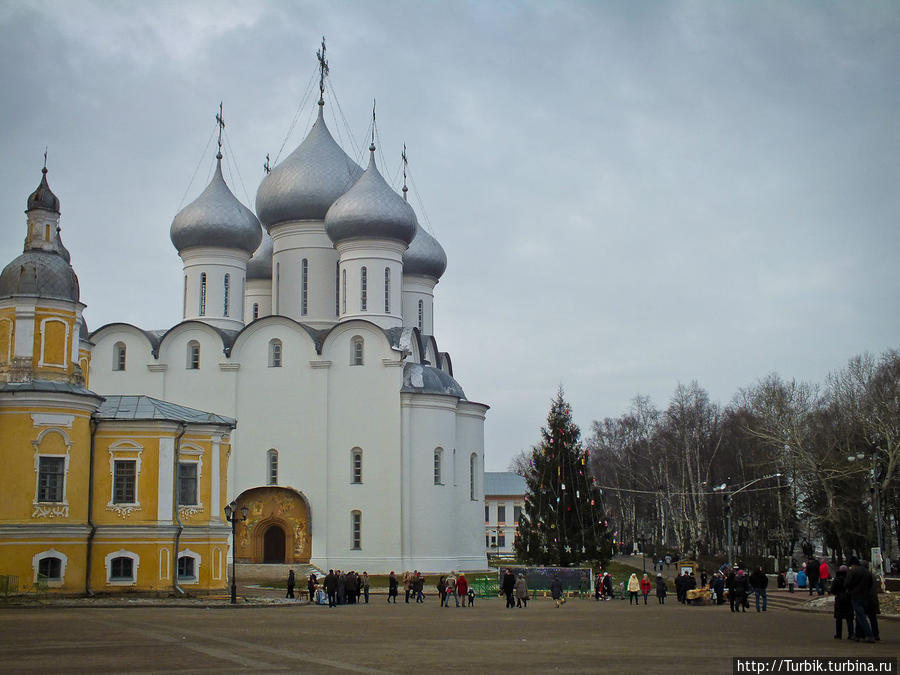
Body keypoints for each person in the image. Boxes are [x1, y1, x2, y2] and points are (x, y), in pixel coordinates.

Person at [844, 556, 875, 642]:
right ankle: (858, 634)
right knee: (859, 616)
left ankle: (869, 635)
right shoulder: (867, 572)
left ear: (853, 564)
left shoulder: (853, 571)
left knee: (861, 616)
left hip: (856, 596)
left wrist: (850, 589)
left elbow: (847, 583)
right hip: (866, 596)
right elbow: (871, 584)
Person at [830, 565, 853, 640]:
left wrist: (837, 593)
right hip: (848, 599)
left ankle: (838, 634)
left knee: (838, 618)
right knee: (849, 618)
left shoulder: (837, 579)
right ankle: (851, 634)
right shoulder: (849, 578)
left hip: (839, 599)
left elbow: (832, 589)